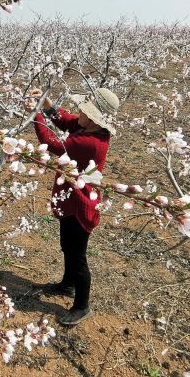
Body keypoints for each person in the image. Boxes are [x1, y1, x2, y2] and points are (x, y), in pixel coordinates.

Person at [29, 88, 120, 326]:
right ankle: (67, 285)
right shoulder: (90, 129)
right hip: (72, 199)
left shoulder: (89, 143)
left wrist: (36, 114)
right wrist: (47, 106)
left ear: (92, 117)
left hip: (81, 205)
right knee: (67, 245)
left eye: (84, 110)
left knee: (77, 256)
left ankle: (82, 305)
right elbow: (67, 120)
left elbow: (50, 144)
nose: (79, 112)